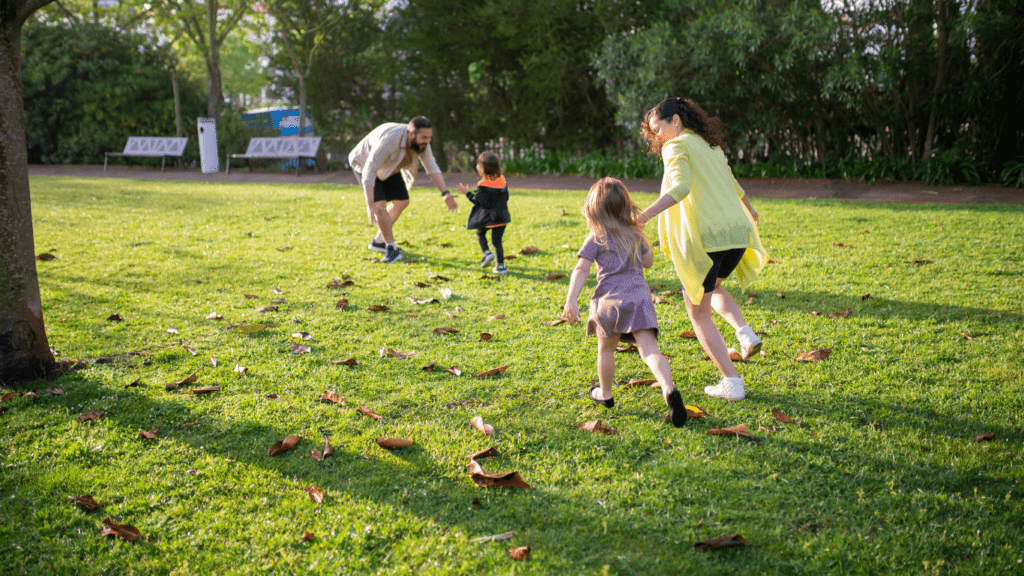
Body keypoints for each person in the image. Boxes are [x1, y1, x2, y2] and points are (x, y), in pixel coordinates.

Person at [636, 97, 768, 402]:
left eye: (659, 129)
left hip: (708, 238)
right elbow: (733, 184)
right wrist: (750, 210)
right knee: (713, 288)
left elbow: (679, 188)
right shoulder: (711, 147)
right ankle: (744, 332)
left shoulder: (676, 145)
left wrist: (645, 215)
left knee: (699, 312)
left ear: (676, 121)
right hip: (736, 233)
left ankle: (731, 382)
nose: (657, 137)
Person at [562, 177, 687, 428]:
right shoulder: (634, 233)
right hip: (639, 298)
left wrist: (571, 299)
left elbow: (581, 268)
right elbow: (649, 262)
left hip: (608, 300)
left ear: (594, 209)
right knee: (650, 350)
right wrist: (641, 239)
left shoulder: (596, 236)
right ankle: (668, 388)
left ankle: (605, 395)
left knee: (606, 349)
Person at [348, 116, 458, 264]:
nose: (428, 141)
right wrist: (370, 204)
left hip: (390, 167)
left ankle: (379, 241)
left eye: (430, 137)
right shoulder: (391, 140)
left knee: (402, 201)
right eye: (424, 137)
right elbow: (369, 170)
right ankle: (391, 249)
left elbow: (432, 168)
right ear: (411, 134)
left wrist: (445, 194)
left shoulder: (422, 143)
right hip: (365, 163)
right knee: (379, 206)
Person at [455, 151, 511, 274]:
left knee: (480, 233)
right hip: (503, 216)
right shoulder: (502, 180)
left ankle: (487, 253)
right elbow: (506, 197)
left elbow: (479, 202)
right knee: (497, 241)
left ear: (481, 168)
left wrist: (468, 193)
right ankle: (500, 266)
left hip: (489, 217)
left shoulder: (482, 184)